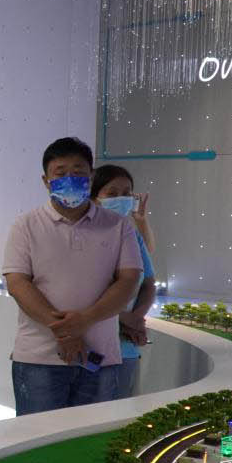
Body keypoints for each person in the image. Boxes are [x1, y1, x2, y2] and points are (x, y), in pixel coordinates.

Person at [3, 138, 143, 415]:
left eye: (78, 172)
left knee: (90, 436)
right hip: (39, 359)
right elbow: (17, 283)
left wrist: (86, 320)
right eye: (61, 173)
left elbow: (129, 280)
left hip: (100, 359)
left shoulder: (118, 226)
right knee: (38, 437)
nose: (70, 179)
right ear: (46, 181)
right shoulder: (25, 225)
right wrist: (66, 333)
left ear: (91, 176)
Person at [92, 165, 156, 399]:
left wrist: (136, 318)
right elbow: (82, 294)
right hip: (90, 348)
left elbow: (148, 282)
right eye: (112, 193)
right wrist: (124, 318)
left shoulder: (131, 234)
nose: (121, 198)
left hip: (126, 348)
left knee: (119, 413)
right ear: (94, 197)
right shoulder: (82, 235)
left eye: (127, 193)